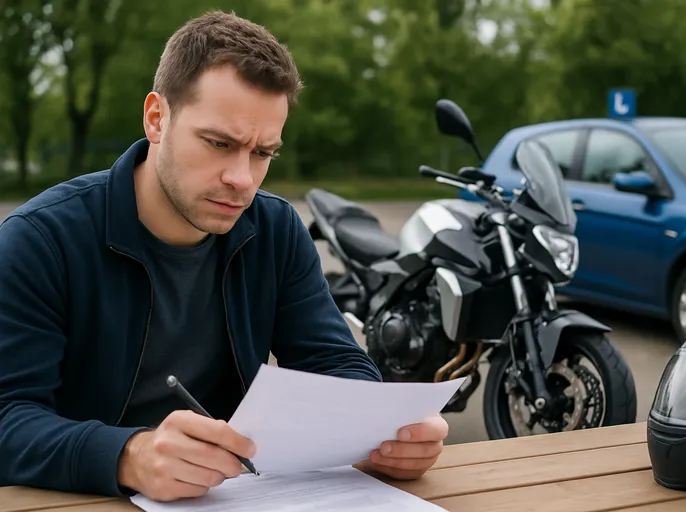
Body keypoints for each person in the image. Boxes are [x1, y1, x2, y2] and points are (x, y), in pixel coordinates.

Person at [0, 10, 449, 502]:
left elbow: (332, 361)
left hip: (226, 497)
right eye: (219, 143)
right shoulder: (40, 241)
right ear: (156, 118)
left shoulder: (275, 230)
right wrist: (127, 455)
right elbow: (8, 418)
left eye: (263, 154)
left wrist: (383, 433)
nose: (242, 179)